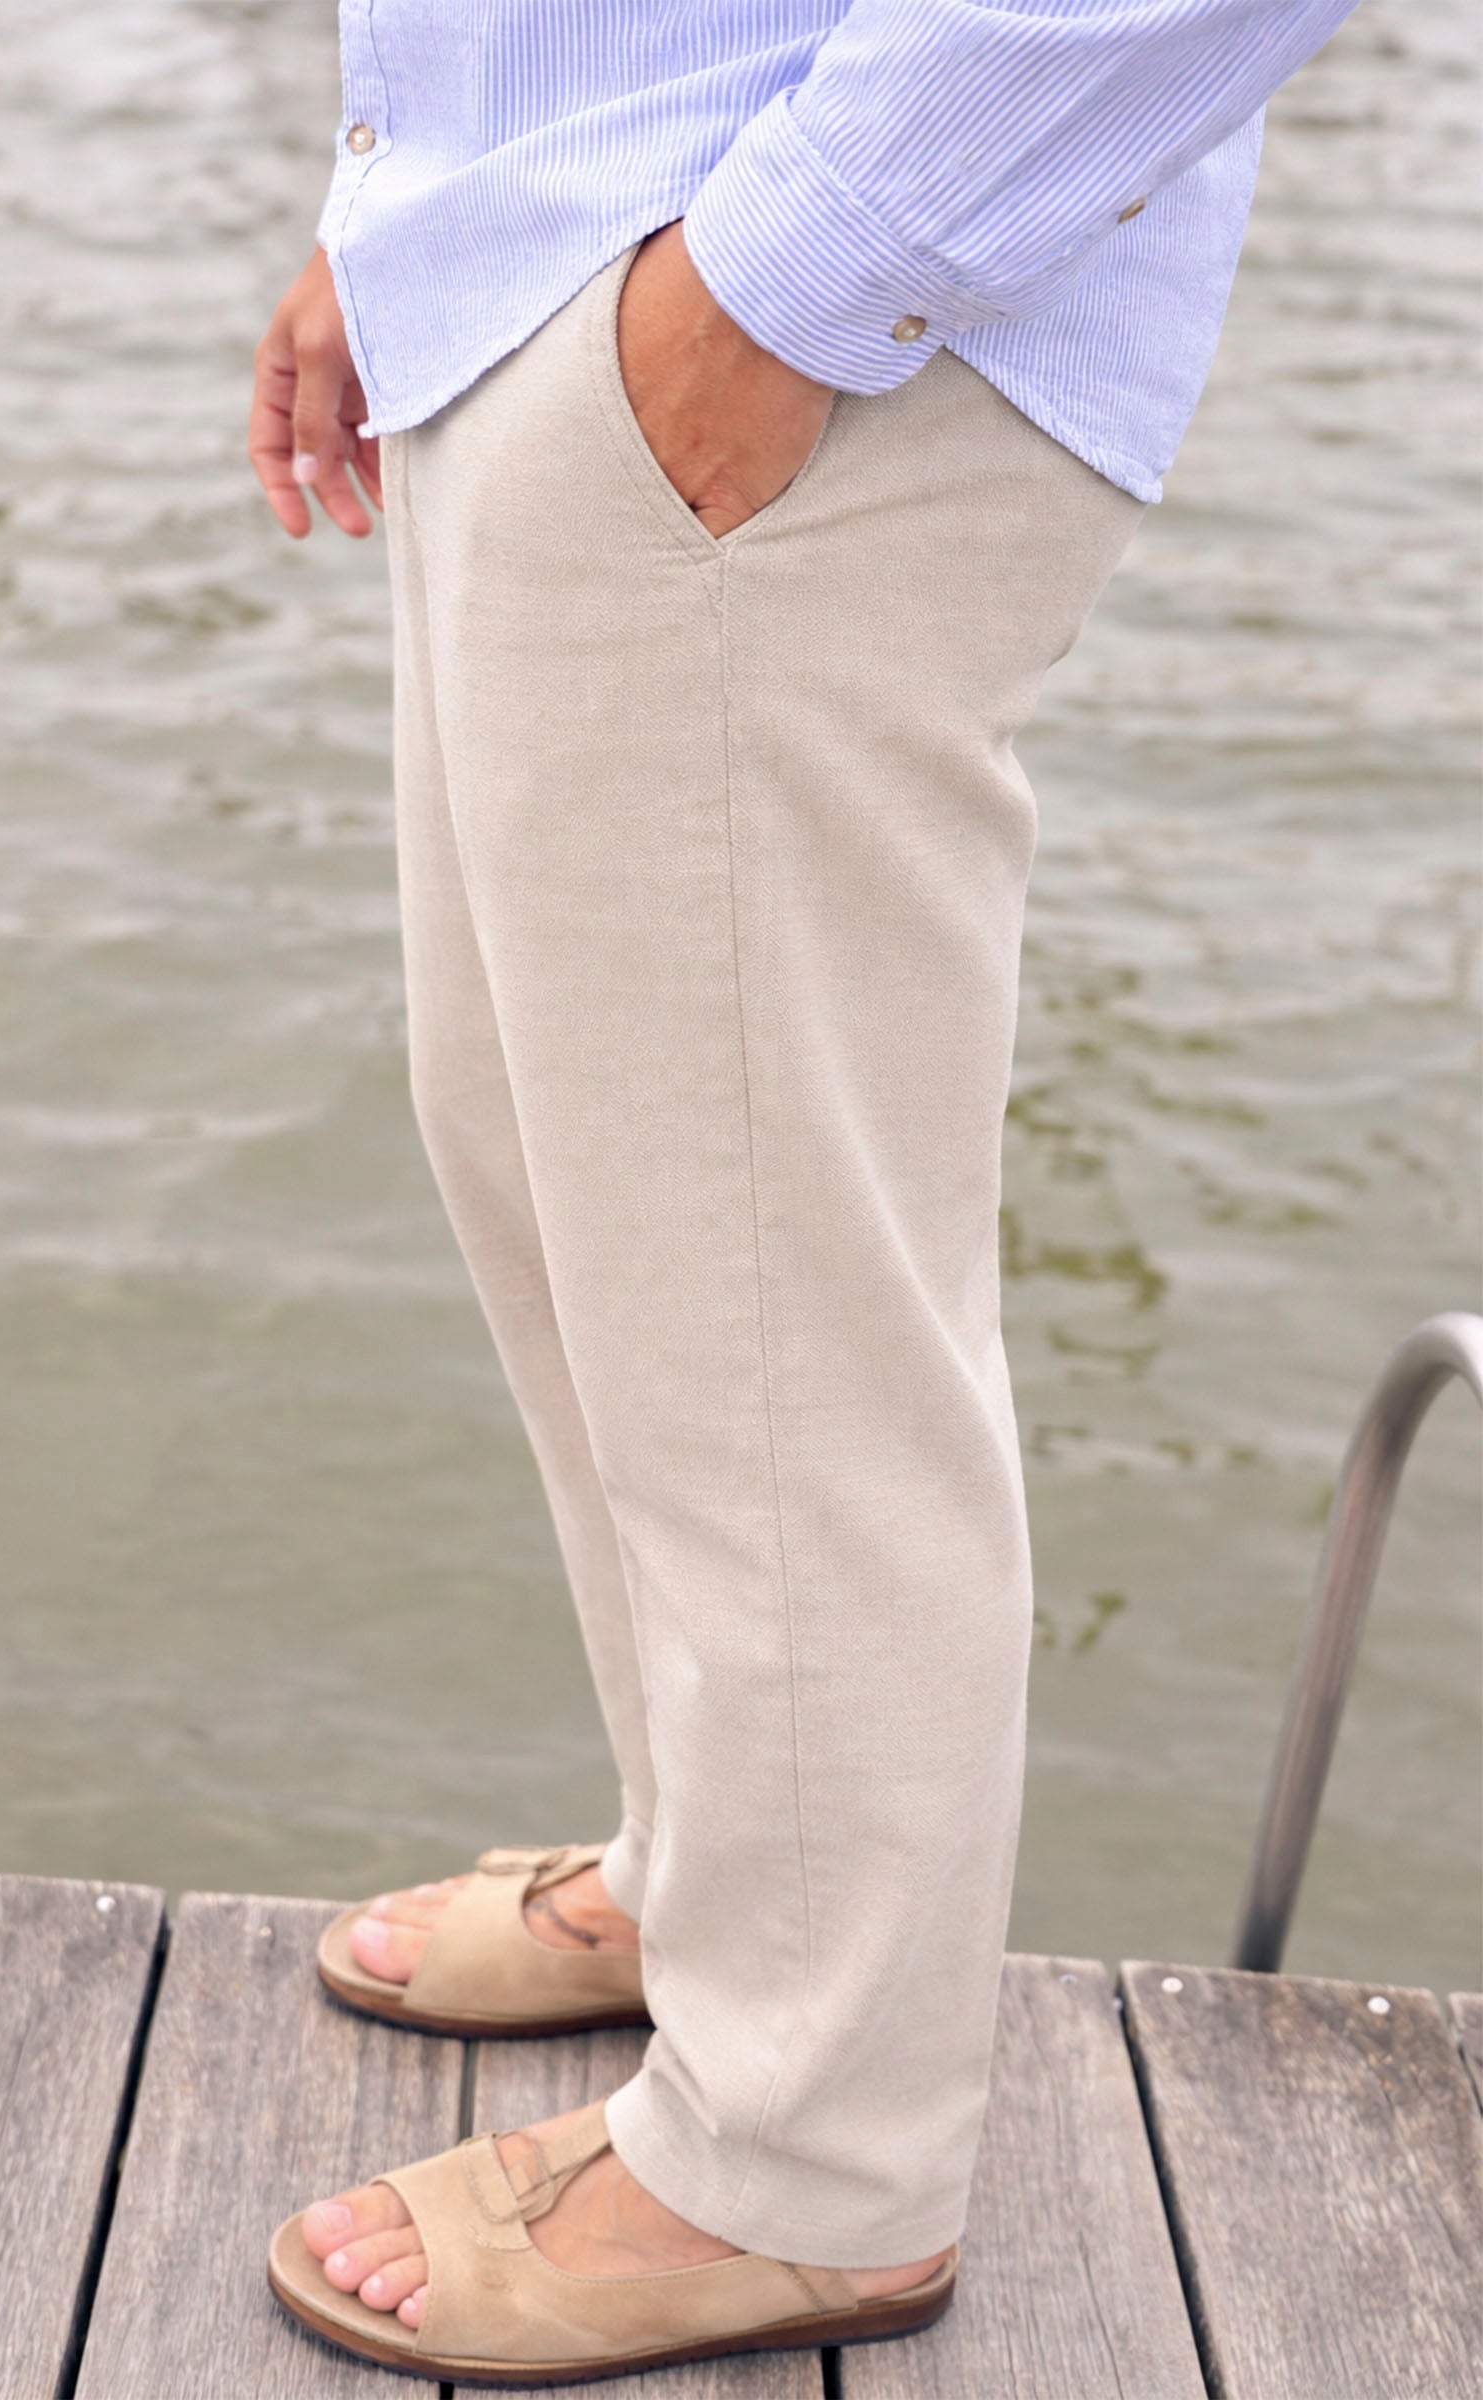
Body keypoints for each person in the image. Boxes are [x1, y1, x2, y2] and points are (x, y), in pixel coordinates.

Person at [253, 2, 1361, 2382]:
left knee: (766, 1288)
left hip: (793, 309)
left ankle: (804, 2152)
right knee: (580, 1184)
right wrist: (405, 207)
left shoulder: (773, 301)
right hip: (569, 252)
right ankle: (717, 1892)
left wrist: (781, 278)